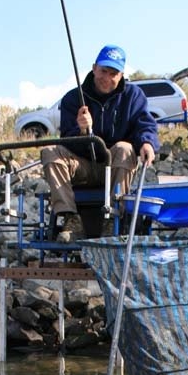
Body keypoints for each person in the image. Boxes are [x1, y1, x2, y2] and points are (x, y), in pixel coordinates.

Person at [41, 44, 160, 241]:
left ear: (121, 75)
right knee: (49, 151)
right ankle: (70, 219)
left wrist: (147, 143)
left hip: (115, 165)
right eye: (103, 71)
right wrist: (82, 130)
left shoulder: (133, 96)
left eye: (113, 73)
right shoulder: (73, 98)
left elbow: (145, 125)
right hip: (82, 166)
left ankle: (113, 220)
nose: (107, 77)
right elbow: (67, 141)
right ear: (94, 68)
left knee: (124, 147)